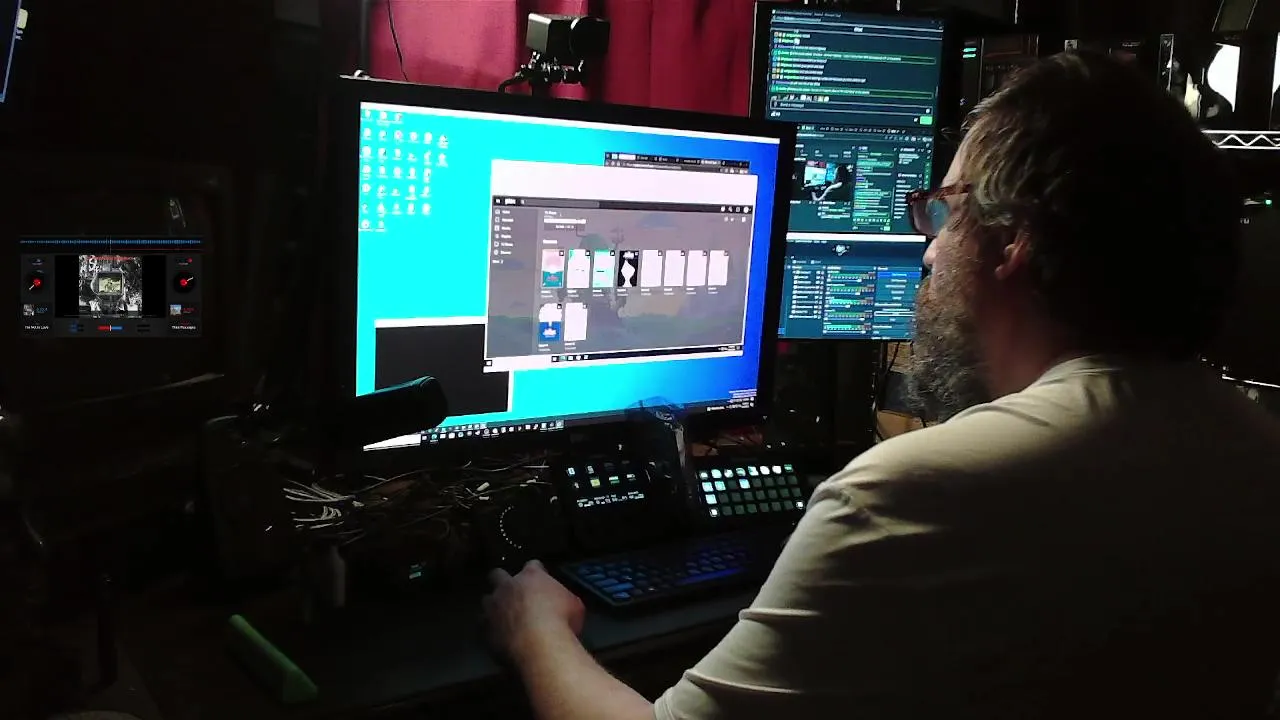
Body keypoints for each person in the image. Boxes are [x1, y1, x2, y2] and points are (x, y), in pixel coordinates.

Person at [482, 51, 1280, 719]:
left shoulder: (915, 493)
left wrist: (534, 629)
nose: (927, 252)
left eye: (943, 213)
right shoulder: (1255, 447)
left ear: (1014, 242)